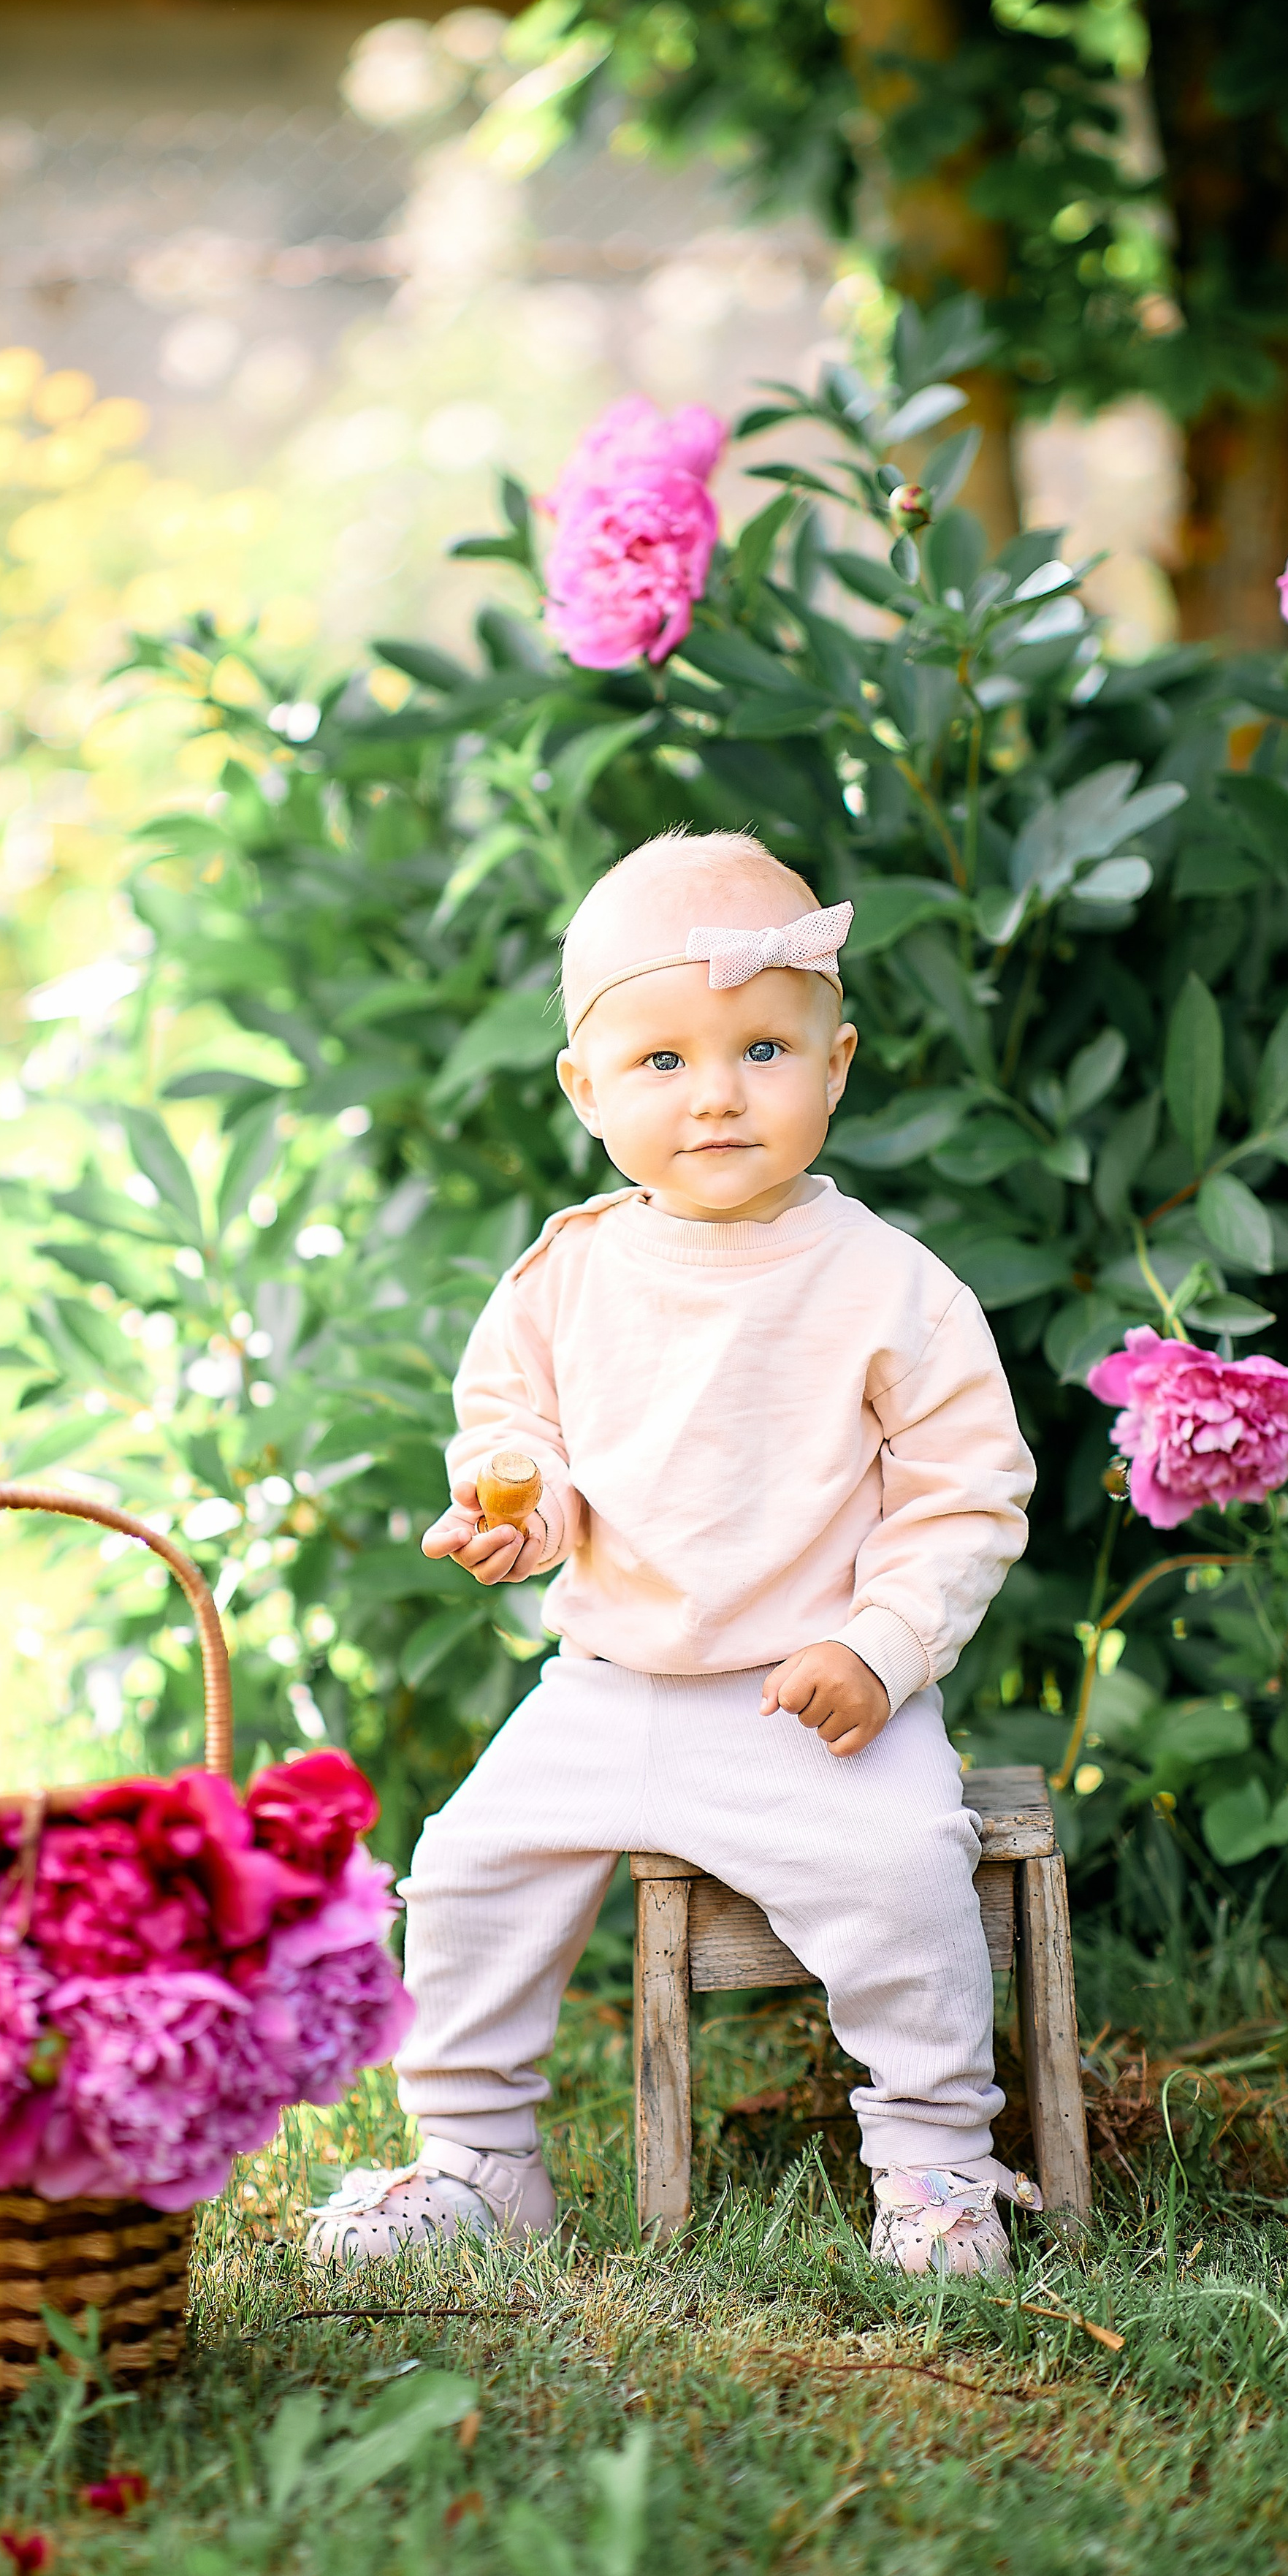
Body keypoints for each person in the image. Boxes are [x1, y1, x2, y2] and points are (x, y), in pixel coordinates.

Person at [305, 830, 1039, 2277]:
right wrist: (513, 1507)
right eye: (662, 1063)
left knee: (906, 1873)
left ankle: (935, 2163)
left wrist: (878, 1650)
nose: (715, 1094)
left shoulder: (889, 1285)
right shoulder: (570, 1271)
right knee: (462, 1870)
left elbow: (967, 1490)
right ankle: (475, 2157)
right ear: (586, 1091)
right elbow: (516, 1433)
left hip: (808, 1691)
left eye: (761, 1048)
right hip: (609, 1682)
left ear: (835, 1060)